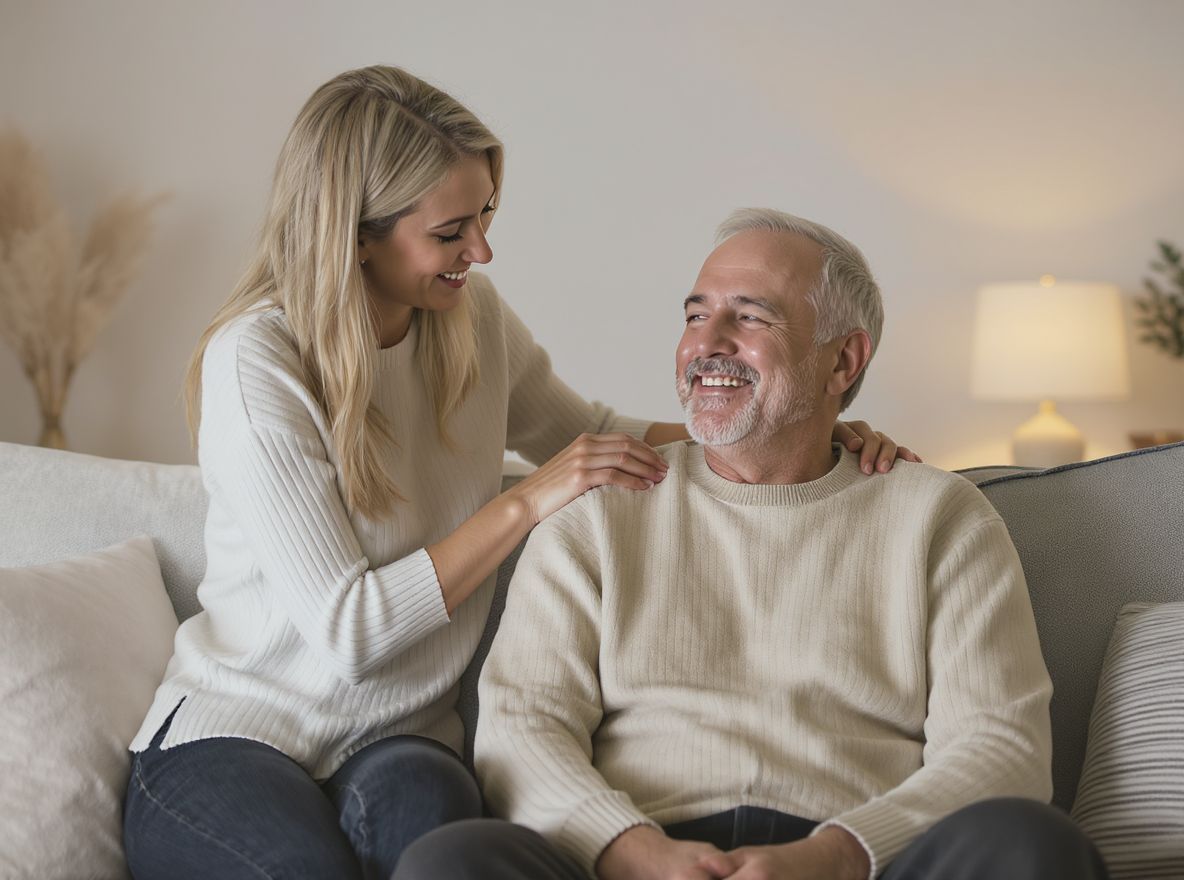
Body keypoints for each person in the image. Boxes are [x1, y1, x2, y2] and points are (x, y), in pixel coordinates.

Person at [120, 68, 912, 880]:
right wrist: (527, 499)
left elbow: (596, 434)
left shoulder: (471, 318)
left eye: (487, 214)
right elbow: (351, 632)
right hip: (237, 735)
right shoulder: (258, 360)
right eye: (452, 231)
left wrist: (812, 421)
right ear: (356, 234)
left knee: (445, 850)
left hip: (399, 743)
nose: (483, 250)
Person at [395, 208, 1110, 880]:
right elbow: (522, 727)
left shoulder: (940, 516)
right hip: (639, 857)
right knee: (454, 860)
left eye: (750, 317)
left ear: (842, 363)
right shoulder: (596, 511)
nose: (706, 343)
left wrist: (833, 857)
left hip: (862, 861)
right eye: (696, 314)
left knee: (1033, 845)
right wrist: (632, 851)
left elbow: (1002, 750)